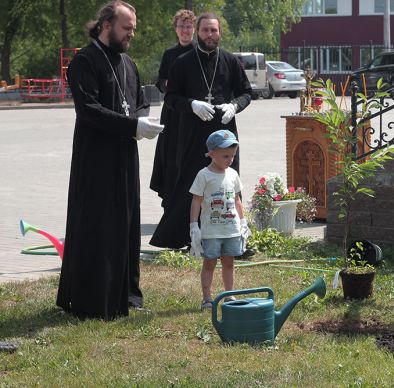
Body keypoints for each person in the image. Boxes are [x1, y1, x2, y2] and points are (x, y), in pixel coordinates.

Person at [57, 1, 164, 320]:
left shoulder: (128, 63)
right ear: (106, 25)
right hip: (96, 158)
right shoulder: (83, 62)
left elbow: (140, 102)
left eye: (133, 28)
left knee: (127, 220)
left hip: (125, 154)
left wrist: (144, 121)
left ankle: (126, 295)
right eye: (126, 27)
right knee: (98, 224)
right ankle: (92, 299)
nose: (131, 33)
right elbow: (88, 110)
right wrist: (132, 125)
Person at [150, 12, 252, 249]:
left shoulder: (229, 60)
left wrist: (234, 105)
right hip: (192, 131)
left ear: (220, 33)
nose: (209, 35)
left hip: (225, 130)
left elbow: (247, 92)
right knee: (189, 181)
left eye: (213, 30)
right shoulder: (182, 62)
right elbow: (171, 97)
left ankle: (234, 236)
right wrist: (192, 105)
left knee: (227, 182)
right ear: (198, 32)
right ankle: (182, 236)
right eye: (205, 30)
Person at [189, 129, 250, 310]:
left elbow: (237, 199)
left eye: (232, 156)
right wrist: (194, 225)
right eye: (225, 156)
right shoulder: (204, 175)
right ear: (212, 154)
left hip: (231, 229)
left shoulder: (233, 174)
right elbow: (196, 200)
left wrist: (243, 221)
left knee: (229, 262)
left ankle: (229, 295)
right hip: (211, 231)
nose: (230, 160)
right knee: (209, 262)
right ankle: (207, 298)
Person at [150, 9, 196, 208]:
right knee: (170, 156)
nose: (185, 30)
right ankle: (171, 203)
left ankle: (192, 204)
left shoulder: (199, 52)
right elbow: (160, 80)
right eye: (181, 26)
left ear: (193, 29)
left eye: (188, 26)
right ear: (175, 30)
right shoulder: (169, 54)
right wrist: (167, 84)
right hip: (171, 114)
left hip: (194, 113)